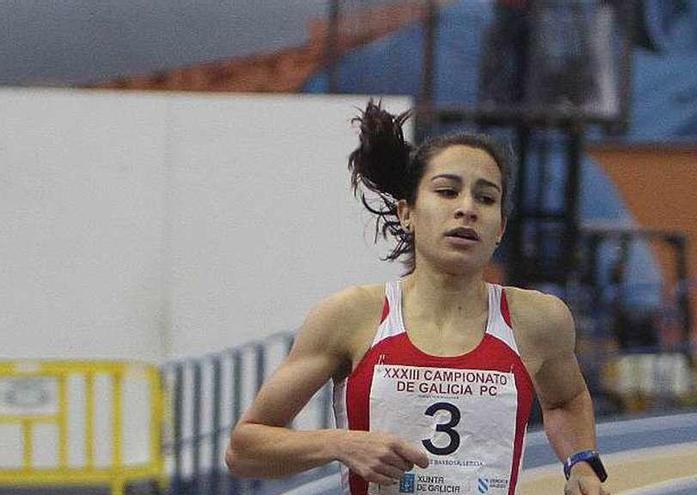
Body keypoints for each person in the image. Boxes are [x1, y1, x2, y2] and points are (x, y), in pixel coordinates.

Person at [225, 100, 609, 495]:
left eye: (486, 198)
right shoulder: (352, 315)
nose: (466, 209)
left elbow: (567, 400)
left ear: (500, 228)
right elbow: (245, 448)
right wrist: (341, 444)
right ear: (407, 212)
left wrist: (580, 464)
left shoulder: (539, 320)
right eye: (446, 191)